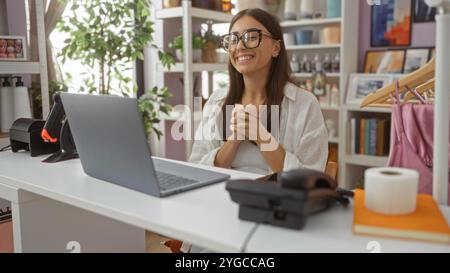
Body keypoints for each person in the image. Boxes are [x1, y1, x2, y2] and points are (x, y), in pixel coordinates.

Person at [189, 8, 328, 176]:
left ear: (275, 48)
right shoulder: (217, 101)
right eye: (233, 39)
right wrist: (234, 140)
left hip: (278, 200)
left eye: (252, 37)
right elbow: (197, 168)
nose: (239, 46)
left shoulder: (305, 104)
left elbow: (310, 178)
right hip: (222, 197)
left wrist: (261, 135)